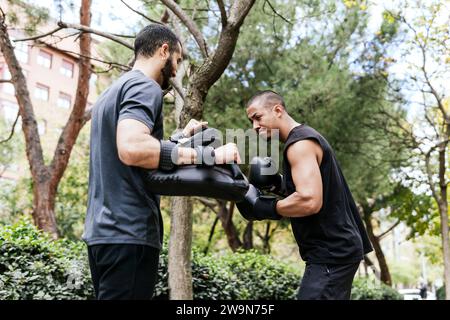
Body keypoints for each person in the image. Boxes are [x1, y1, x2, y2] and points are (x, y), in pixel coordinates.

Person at [82, 24, 240, 300]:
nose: (176, 71)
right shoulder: (145, 86)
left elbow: (133, 153)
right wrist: (211, 156)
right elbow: (132, 148)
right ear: (163, 50)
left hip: (102, 233)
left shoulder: (112, 92)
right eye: (177, 61)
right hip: (129, 230)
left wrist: (179, 138)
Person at [237, 90, 373, 300]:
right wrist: (278, 185)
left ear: (278, 110)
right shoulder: (305, 138)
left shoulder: (299, 144)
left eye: (258, 117)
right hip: (334, 251)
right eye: (251, 121)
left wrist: (265, 207)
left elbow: (310, 201)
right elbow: (319, 190)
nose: (254, 127)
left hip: (332, 253)